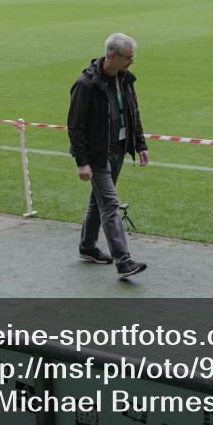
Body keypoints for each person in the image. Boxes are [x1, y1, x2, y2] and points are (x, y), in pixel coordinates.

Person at [67, 33, 149, 279]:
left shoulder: (125, 79)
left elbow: (133, 112)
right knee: (111, 205)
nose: (132, 62)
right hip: (98, 155)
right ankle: (123, 262)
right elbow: (75, 126)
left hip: (120, 149)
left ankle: (87, 246)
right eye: (129, 58)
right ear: (112, 56)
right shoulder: (85, 84)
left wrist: (141, 144)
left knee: (98, 200)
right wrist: (82, 162)